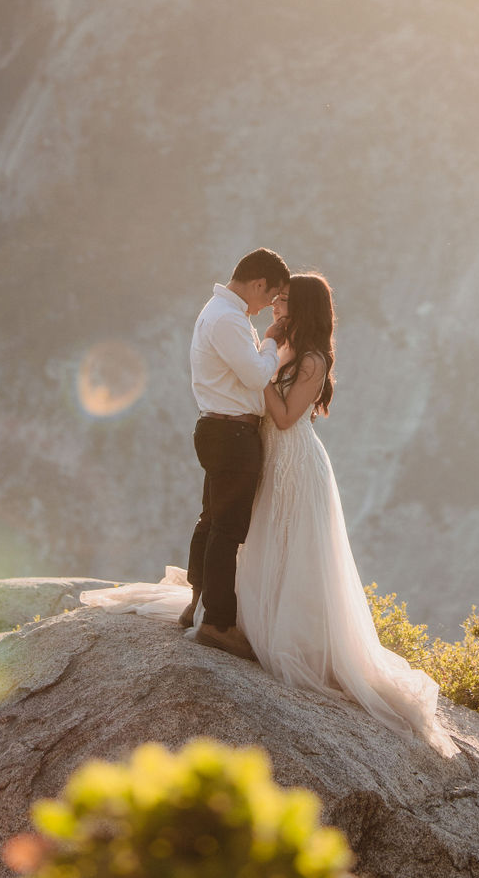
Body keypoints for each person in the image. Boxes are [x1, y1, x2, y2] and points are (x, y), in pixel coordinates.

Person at [233, 272, 457, 756]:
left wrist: (258, 374)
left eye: (285, 300)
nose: (275, 305)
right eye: (275, 298)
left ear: (305, 307)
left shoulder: (311, 358)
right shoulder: (284, 344)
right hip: (276, 456)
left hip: (295, 460)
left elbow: (287, 415)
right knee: (265, 536)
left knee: (292, 544)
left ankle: (292, 636)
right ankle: (256, 619)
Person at [179, 247, 291, 659]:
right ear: (259, 283)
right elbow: (257, 373)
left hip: (218, 428)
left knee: (211, 518)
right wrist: (272, 342)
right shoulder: (227, 318)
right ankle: (218, 623)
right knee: (228, 528)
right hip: (232, 433)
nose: (267, 307)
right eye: (270, 296)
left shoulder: (219, 311)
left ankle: (197, 602)